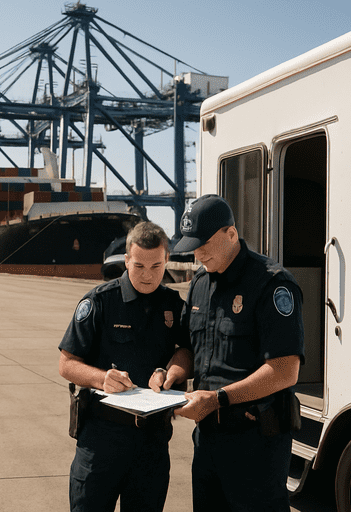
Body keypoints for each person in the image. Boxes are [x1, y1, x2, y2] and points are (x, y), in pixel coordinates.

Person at [172, 194, 305, 511]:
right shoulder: (201, 282)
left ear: (231, 234)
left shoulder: (271, 284)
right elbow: (188, 347)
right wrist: (172, 374)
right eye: (192, 244)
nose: (198, 252)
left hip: (255, 443)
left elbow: (285, 370)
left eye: (203, 243)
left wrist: (219, 398)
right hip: (207, 441)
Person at [58, 221, 192, 512]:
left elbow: (185, 351)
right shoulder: (100, 301)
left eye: (156, 266)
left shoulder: (173, 305)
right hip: (101, 441)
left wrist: (171, 373)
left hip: (151, 444)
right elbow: (67, 364)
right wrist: (101, 378)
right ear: (126, 260)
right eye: (139, 266)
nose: (148, 275)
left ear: (166, 259)